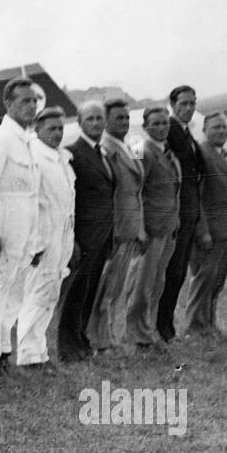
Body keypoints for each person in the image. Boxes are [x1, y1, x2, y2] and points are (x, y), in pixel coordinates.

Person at [0, 77, 43, 377]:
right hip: (4, 225)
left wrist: (34, 238)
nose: (31, 106)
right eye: (24, 101)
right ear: (8, 104)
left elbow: (32, 193)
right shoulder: (1, 138)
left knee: (14, 294)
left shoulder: (28, 139)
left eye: (34, 101)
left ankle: (3, 351)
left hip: (25, 225)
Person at [16, 106, 76, 371]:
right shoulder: (34, 157)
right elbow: (30, 205)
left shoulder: (61, 157)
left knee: (50, 295)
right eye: (51, 128)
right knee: (36, 294)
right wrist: (36, 244)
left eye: (60, 128)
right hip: (43, 236)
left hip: (62, 235)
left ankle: (38, 352)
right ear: (36, 129)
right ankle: (28, 355)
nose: (57, 133)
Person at [58, 100, 115, 361]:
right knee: (75, 292)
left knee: (89, 291)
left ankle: (81, 340)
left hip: (102, 234)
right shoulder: (72, 152)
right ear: (79, 122)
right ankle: (68, 347)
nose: (95, 123)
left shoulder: (100, 151)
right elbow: (68, 199)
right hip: (84, 236)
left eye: (99, 118)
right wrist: (73, 239)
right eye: (90, 119)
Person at [87, 99, 145, 351]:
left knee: (117, 287)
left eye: (126, 118)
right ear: (106, 120)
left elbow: (136, 190)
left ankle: (107, 334)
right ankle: (98, 337)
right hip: (117, 228)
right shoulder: (106, 149)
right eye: (118, 118)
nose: (124, 122)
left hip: (131, 226)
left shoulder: (129, 146)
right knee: (106, 287)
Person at [123, 107, 182, 348]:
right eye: (155, 123)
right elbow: (136, 189)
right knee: (141, 284)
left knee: (157, 283)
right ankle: (137, 334)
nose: (161, 127)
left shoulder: (168, 152)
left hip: (168, 226)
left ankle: (149, 330)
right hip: (150, 227)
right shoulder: (141, 149)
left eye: (164, 123)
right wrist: (140, 227)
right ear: (145, 127)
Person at [185, 114, 227, 336]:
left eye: (223, 127)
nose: (221, 131)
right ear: (204, 130)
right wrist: (202, 231)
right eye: (215, 127)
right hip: (210, 232)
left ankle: (209, 325)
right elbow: (195, 197)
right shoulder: (201, 155)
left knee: (216, 281)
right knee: (204, 279)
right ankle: (196, 326)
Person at [157, 85, 204, 342]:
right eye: (184, 103)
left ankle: (166, 327)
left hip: (189, 212)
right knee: (172, 272)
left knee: (178, 273)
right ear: (172, 105)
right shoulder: (171, 130)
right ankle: (161, 328)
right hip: (178, 211)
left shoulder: (185, 132)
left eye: (192, 103)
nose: (189, 108)